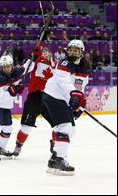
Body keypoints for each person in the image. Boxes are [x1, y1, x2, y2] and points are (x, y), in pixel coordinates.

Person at [42, 39, 91, 175]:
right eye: (71, 49)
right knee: (65, 127)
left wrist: (81, 101)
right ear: (67, 51)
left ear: (81, 52)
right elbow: (62, 82)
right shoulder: (64, 62)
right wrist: (74, 95)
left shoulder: (85, 67)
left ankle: (54, 159)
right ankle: (58, 160)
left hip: (64, 99)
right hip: (53, 96)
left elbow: (80, 86)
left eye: (76, 50)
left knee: (71, 130)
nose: (73, 52)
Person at [12, 45, 56, 157]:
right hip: (34, 96)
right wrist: (33, 56)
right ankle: (18, 146)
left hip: (49, 97)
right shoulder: (36, 60)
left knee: (59, 124)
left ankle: (55, 145)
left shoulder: (55, 65)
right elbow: (27, 68)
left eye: (47, 52)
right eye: (44, 51)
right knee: (26, 126)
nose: (46, 54)